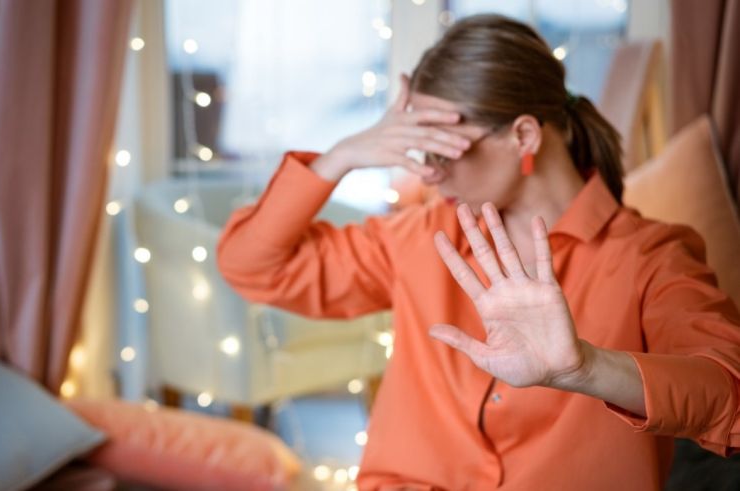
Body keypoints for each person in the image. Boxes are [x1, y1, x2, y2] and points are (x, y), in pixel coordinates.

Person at [217, 14, 740, 490]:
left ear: (524, 135)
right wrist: (341, 157)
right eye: (419, 149)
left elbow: (730, 398)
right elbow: (251, 265)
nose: (429, 172)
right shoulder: (420, 237)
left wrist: (588, 368)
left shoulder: (649, 258)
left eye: (443, 149)